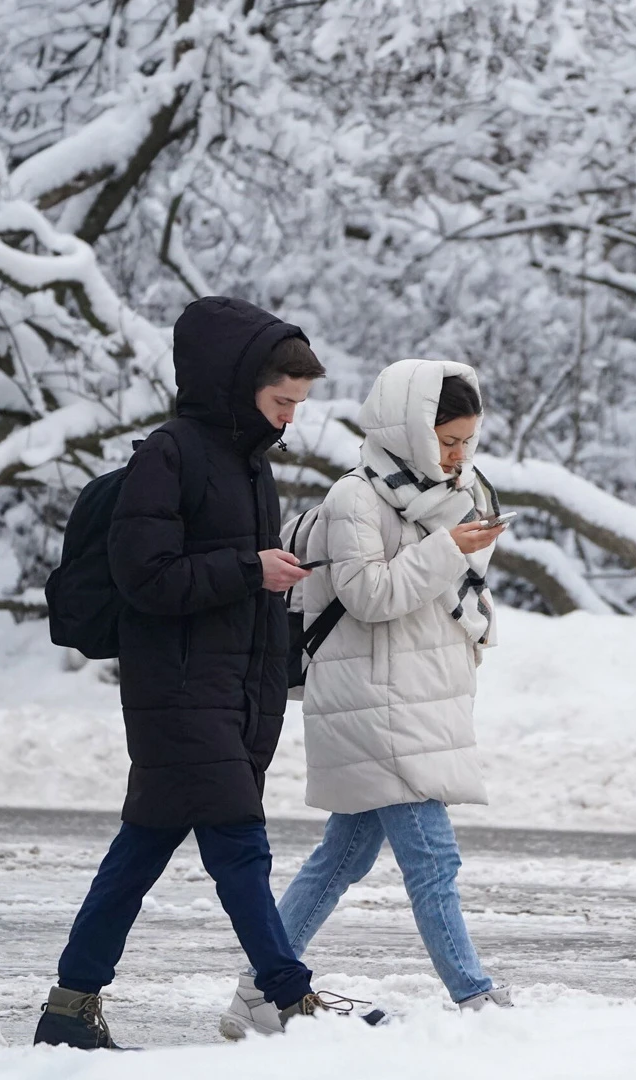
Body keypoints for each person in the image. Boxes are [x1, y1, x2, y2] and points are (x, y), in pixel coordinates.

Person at [34, 297, 364, 1049]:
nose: (289, 419)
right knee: (239, 847)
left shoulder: (251, 466)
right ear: (235, 382)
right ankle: (287, 996)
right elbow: (144, 577)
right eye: (282, 401)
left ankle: (68, 1008)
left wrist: (277, 614)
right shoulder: (170, 455)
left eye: (299, 406)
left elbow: (235, 586)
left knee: (141, 850)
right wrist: (250, 568)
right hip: (178, 690)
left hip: (227, 691)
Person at [218, 358, 510, 1040]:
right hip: (373, 699)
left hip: (419, 697)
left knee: (343, 857)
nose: (458, 454)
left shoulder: (458, 491)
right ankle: (475, 999)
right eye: (447, 440)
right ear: (408, 428)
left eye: (467, 440)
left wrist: (462, 541)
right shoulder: (357, 497)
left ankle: (260, 993)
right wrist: (447, 548)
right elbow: (369, 595)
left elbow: (442, 593)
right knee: (433, 859)